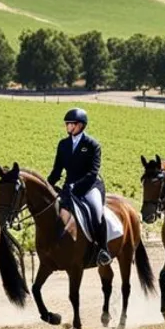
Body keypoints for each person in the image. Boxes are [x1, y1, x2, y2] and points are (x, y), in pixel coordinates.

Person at [47, 108, 110, 266]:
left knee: (96, 213)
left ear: (80, 125)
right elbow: (56, 170)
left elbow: (93, 172)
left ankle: (103, 250)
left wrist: (76, 185)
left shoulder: (92, 145)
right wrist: (47, 185)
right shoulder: (63, 145)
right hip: (69, 187)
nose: (68, 127)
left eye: (71, 124)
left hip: (90, 186)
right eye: (67, 124)